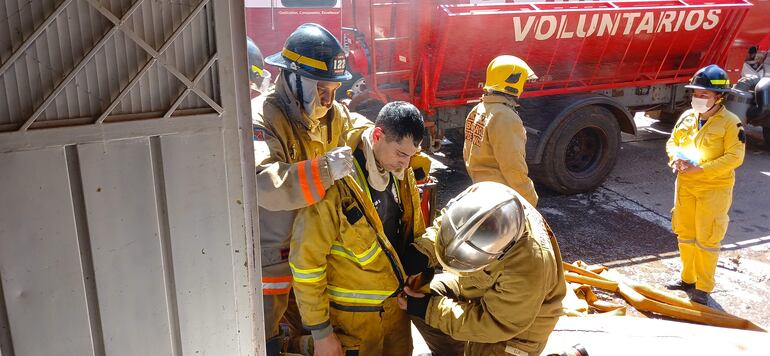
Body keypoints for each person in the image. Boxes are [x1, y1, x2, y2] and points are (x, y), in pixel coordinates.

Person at [253, 23, 369, 355]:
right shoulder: (261, 119)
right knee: (267, 341)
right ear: (292, 79)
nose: (327, 99)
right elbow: (265, 183)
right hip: (272, 262)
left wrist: (380, 140)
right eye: (321, 89)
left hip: (312, 257)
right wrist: (323, 170)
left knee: (316, 335)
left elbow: (352, 122)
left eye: (333, 89)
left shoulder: (328, 112)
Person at [289, 101, 427, 356]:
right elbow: (306, 262)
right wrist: (321, 333)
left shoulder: (401, 173)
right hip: (352, 326)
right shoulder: (337, 183)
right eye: (400, 154)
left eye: (411, 155)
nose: (406, 164)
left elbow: (413, 228)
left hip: (396, 314)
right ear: (377, 136)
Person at [400, 181, 566, 356]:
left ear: (501, 253)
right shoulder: (486, 193)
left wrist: (429, 309)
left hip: (517, 326)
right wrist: (425, 250)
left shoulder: (528, 269)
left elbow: (493, 324)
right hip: (478, 286)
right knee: (423, 291)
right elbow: (452, 224)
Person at [665, 64, 746, 305]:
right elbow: (673, 142)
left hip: (713, 188)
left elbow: (735, 157)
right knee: (685, 232)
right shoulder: (687, 117)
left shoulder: (731, 123)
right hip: (686, 184)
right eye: (695, 94)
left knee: (707, 238)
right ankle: (687, 279)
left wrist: (701, 168)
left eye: (705, 95)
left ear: (719, 97)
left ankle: (703, 287)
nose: (698, 99)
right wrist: (674, 159)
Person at [463, 55, 539, 206]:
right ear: (513, 82)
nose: (523, 87)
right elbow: (513, 166)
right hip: (500, 198)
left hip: (480, 191)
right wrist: (530, 199)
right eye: (522, 81)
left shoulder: (478, 109)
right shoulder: (505, 117)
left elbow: (467, 153)